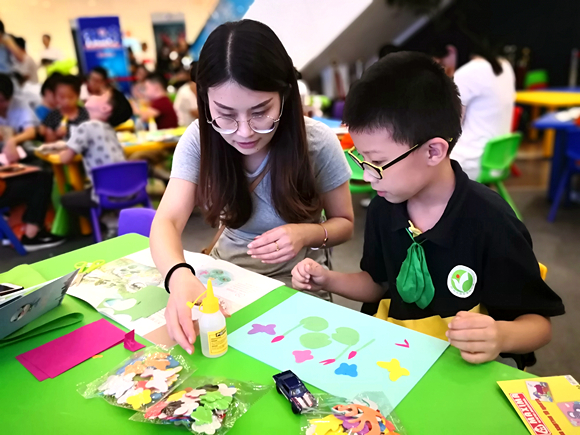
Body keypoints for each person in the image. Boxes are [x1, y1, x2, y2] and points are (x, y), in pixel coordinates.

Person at [291, 52, 564, 368]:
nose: (367, 175)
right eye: (363, 159)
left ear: (434, 150)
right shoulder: (384, 207)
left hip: (456, 369)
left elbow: (539, 325)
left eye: (378, 162)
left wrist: (502, 336)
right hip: (393, 360)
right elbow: (378, 284)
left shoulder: (492, 221)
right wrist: (328, 279)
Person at [150, 20, 354, 354]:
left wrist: (305, 234)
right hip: (226, 278)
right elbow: (167, 221)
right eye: (225, 114)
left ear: (284, 95)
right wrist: (179, 276)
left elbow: (344, 223)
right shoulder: (200, 140)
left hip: (297, 281)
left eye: (260, 112)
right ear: (205, 100)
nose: (244, 132)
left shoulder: (316, 142)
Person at [38, 88, 132, 218]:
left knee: (66, 199)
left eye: (100, 94)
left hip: (105, 194)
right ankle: (113, 219)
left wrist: (60, 152)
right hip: (130, 190)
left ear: (105, 108)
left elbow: (65, 159)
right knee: (88, 190)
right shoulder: (110, 130)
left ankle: (106, 221)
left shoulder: (85, 127)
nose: (93, 94)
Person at [450, 45, 516, 180]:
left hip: (469, 162)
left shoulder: (468, 72)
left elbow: (451, 125)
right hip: (498, 161)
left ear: (452, 50)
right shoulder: (505, 66)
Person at [0, 73, 38, 163]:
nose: (3, 104)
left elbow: (30, 132)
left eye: (5, 100)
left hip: (20, 148)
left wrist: (12, 141)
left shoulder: (20, 103)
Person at [42, 74, 89, 142]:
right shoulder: (52, 116)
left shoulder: (85, 113)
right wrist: (56, 135)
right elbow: (48, 141)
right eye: (62, 97)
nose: (66, 101)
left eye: (71, 97)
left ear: (78, 95)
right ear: (55, 96)